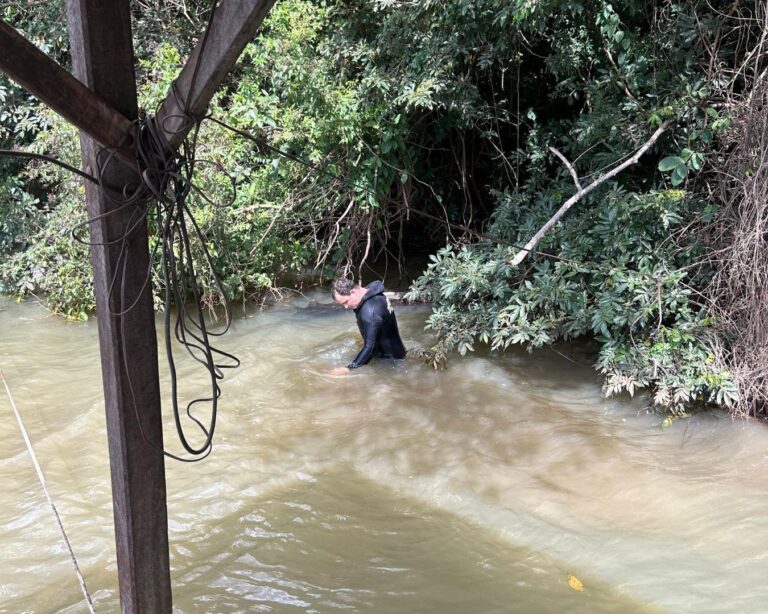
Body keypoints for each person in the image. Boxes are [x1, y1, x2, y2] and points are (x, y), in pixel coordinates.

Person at [330, 278, 406, 373]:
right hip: (397, 351)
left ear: (353, 292)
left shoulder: (370, 312)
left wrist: (349, 368)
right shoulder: (372, 292)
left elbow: (371, 347)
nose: (346, 307)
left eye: (346, 302)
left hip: (391, 362)